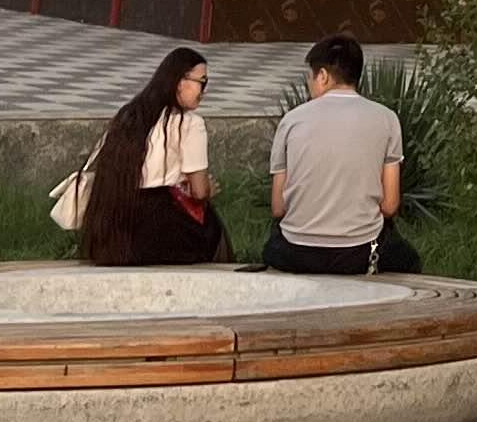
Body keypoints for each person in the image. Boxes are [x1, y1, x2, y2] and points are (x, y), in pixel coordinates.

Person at [264, 34, 421, 275]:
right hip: (359, 253)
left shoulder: (291, 121)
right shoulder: (386, 119)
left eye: (310, 77)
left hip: (296, 253)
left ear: (323, 76)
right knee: (409, 260)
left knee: (272, 246)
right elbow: (390, 206)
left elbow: (278, 208)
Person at [72, 46, 230, 266]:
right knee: (212, 225)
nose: (204, 91)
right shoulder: (190, 123)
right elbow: (199, 191)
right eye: (202, 82)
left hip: (113, 236)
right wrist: (208, 190)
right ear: (179, 81)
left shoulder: (129, 116)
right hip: (162, 231)